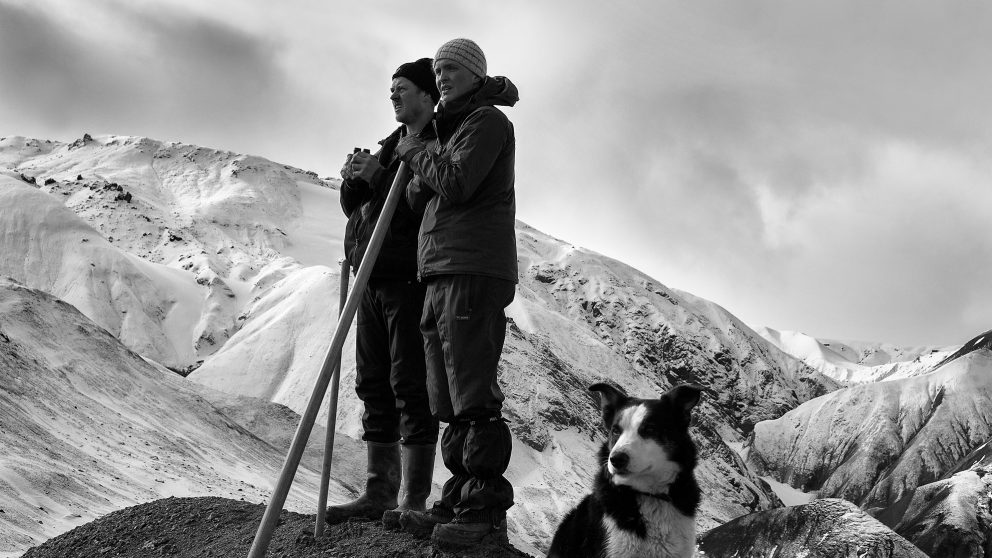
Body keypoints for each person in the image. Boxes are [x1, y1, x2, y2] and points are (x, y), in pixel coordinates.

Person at [393, 38, 519, 550]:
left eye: (450, 69)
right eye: (438, 69)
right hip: (441, 268)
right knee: (445, 394)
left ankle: (484, 513)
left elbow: (459, 182)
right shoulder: (450, 127)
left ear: (474, 74)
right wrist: (421, 154)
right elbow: (421, 194)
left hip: (472, 265)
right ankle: (458, 497)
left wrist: (421, 152)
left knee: (471, 393)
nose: (441, 76)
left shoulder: (487, 122)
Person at [325, 57, 441, 527]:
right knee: (372, 383)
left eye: (403, 89)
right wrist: (355, 180)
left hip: (406, 278)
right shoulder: (391, 144)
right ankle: (379, 491)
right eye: (392, 89)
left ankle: (412, 499)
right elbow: (359, 207)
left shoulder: (436, 142)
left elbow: (425, 205)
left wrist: (381, 177)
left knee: (409, 385)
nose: (394, 96)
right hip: (369, 276)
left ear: (427, 95)